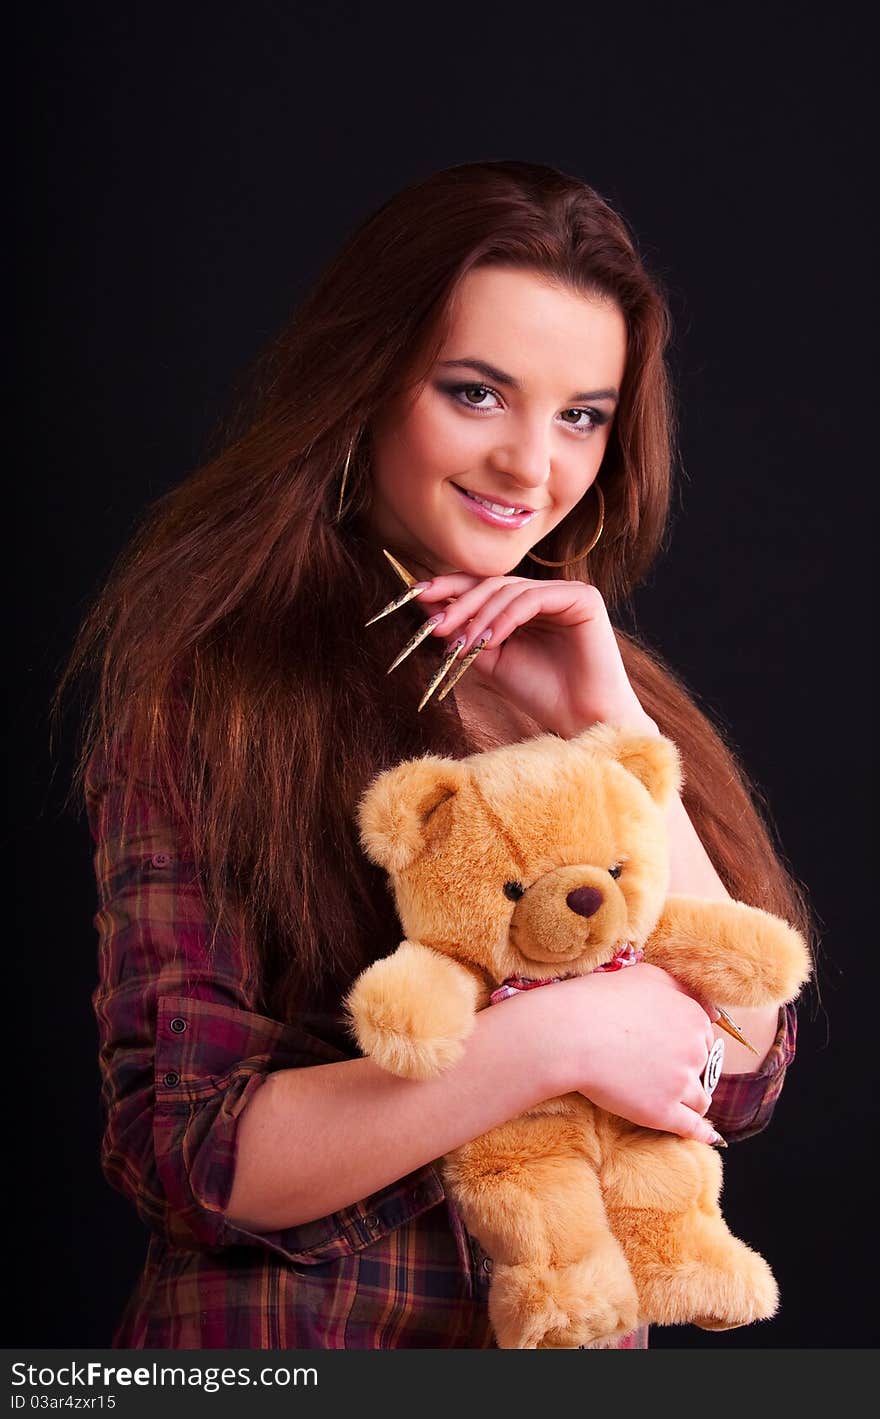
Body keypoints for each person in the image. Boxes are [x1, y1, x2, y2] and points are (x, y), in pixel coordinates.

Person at [59, 159, 811, 1350]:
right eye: (474, 393)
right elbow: (186, 1151)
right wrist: (545, 1044)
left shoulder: (585, 675)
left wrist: (613, 718)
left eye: (580, 416)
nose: (529, 466)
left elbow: (740, 1058)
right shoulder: (219, 692)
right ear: (366, 383)